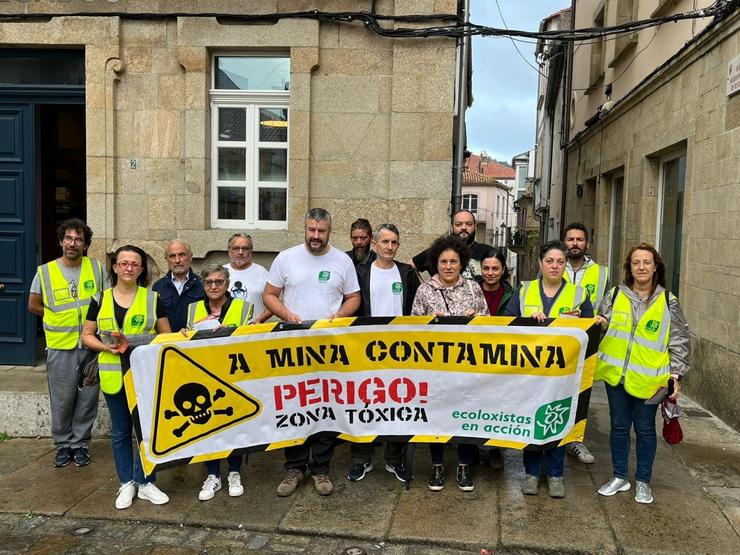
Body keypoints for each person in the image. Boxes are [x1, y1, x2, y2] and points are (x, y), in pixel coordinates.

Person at [263, 208, 361, 496]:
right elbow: (269, 294)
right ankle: (294, 468)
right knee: (293, 406)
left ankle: (320, 469)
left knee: (325, 406)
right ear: (304, 229)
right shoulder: (286, 258)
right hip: (292, 346)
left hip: (327, 347)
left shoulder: (342, 260)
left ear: (330, 231)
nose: (315, 236)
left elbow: (354, 297)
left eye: (321, 231)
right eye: (311, 230)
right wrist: (286, 314)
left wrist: (340, 315)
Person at [595, 243, 689, 504]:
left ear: (655, 266)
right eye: (636, 262)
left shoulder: (668, 302)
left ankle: (643, 481)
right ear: (629, 268)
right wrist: (599, 323)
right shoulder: (615, 295)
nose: (641, 267)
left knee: (646, 430)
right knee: (619, 426)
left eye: (647, 262)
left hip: (652, 381)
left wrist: (676, 376)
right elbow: (601, 326)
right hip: (617, 377)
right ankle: (619, 476)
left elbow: (679, 341)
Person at [81, 245, 171, 510]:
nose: (129, 267)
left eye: (135, 263)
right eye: (124, 263)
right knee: (121, 431)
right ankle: (126, 483)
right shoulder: (100, 299)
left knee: (146, 431)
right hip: (112, 376)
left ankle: (145, 482)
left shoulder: (152, 299)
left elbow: (166, 335)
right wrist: (105, 346)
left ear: (141, 269)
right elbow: (86, 335)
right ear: (115, 267)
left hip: (143, 375)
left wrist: (138, 343)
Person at [505, 240, 593, 499]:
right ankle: (531, 473)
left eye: (560, 262)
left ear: (566, 265)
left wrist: (591, 321)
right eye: (550, 261)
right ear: (540, 263)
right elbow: (506, 325)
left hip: (563, 373)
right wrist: (526, 321)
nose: (555, 266)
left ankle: (555, 474)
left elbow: (590, 329)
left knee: (557, 419)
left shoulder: (578, 294)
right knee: (532, 421)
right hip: (530, 372)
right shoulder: (524, 291)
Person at [411, 235, 489, 492]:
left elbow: (488, 323)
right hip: (435, 369)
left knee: (465, 414)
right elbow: (412, 328)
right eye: (443, 261)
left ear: (461, 263)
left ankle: (464, 466)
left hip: (467, 367)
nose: (448, 266)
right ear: (436, 263)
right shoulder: (424, 291)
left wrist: (475, 318)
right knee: (438, 416)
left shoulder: (473, 288)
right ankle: (437, 465)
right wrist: (429, 323)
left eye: (453, 261)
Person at [28, 218, 107, 468]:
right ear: (61, 241)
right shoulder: (45, 271)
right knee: (62, 398)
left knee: (88, 397)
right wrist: (54, 317)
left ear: (86, 244)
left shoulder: (97, 268)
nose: (73, 243)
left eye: (79, 239)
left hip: (91, 346)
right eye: (69, 238)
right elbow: (33, 304)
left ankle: (81, 444)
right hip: (60, 345)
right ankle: (63, 445)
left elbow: (105, 301)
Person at [347, 223, 420, 483]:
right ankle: (361, 459)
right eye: (385, 242)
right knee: (364, 404)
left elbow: (415, 310)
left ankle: (394, 459)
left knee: (398, 405)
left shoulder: (406, 274)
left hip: (400, 353)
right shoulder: (360, 273)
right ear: (374, 244)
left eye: (394, 243)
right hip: (365, 351)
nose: (390, 247)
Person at [186, 264, 254, 500]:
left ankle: (234, 472)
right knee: (209, 427)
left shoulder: (243, 307)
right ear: (203, 285)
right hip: (205, 374)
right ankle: (212, 474)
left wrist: (232, 332)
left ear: (227, 284)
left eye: (219, 282)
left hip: (233, 374)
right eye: (209, 282)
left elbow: (250, 341)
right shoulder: (193, 308)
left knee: (234, 425)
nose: (214, 286)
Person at [563, 222, 609, 465]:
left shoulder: (601, 273)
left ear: (587, 244)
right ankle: (554, 436)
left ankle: (576, 441)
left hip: (587, 342)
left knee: (581, 393)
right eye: (570, 239)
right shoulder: (554, 265)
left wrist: (601, 321)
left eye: (579, 239)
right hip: (558, 342)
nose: (574, 244)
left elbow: (607, 305)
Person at [478, 248, 515, 471]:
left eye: (495, 268)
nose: (490, 273)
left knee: (498, 402)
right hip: (473, 357)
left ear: (503, 271)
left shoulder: (512, 295)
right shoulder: (470, 290)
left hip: (500, 357)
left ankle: (495, 450)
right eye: (486, 268)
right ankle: (473, 447)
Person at [410, 210, 493, 282]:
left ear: (475, 226)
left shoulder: (488, 252)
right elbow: (409, 267)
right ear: (452, 228)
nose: (464, 227)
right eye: (458, 224)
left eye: (469, 224)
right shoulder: (438, 251)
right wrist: (424, 287)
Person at [152, 240, 205, 333]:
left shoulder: (202, 284)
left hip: (195, 342)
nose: (177, 260)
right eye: (172, 256)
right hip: (168, 343)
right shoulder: (158, 287)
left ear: (190, 257)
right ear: (166, 259)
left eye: (182, 255)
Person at [223, 233, 271, 323]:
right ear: (229, 251)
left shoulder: (262, 273)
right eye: (236, 248)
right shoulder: (220, 273)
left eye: (245, 248)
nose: (240, 252)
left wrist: (260, 319)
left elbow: (275, 301)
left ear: (251, 251)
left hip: (254, 331)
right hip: (225, 331)